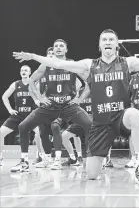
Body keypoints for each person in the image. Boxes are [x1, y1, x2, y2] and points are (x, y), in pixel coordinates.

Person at [12, 29, 139, 184]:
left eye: (111, 40)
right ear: (99, 45)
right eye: (104, 39)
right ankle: (98, 159)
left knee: (133, 113)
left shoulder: (127, 63)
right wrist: (33, 56)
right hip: (100, 124)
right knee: (91, 175)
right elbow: (56, 63)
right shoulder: (89, 65)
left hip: (121, 117)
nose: (107, 42)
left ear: (117, 45)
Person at [10, 39, 92, 172]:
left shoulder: (72, 64)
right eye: (56, 46)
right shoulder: (45, 65)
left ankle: (90, 160)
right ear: (53, 50)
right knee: (23, 126)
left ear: (66, 50)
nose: (58, 48)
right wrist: (40, 97)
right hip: (50, 105)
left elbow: (89, 82)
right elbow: (31, 80)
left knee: (89, 124)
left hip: (68, 105)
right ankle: (24, 162)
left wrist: (80, 99)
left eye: (61, 46)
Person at [0, 65, 43, 166]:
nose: (23, 72)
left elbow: (41, 97)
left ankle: (40, 155)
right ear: (20, 73)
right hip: (18, 115)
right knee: (1, 133)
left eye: (26, 70)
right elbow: (4, 97)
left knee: (40, 134)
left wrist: (38, 101)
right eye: (22, 70)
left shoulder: (34, 84)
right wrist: (10, 109)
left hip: (31, 115)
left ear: (30, 73)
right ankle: (0, 156)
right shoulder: (15, 84)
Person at [61, 87, 92, 166]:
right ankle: (74, 158)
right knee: (64, 136)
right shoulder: (77, 91)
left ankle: (101, 160)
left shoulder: (96, 91)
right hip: (79, 119)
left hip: (92, 121)